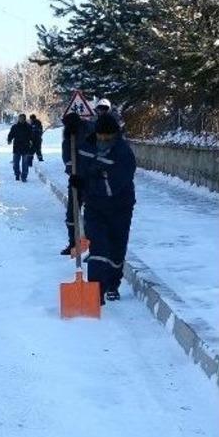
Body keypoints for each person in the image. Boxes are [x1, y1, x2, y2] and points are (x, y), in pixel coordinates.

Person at [69, 114, 136, 302]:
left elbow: (110, 187)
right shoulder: (86, 147)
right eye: (100, 137)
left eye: (108, 139)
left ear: (115, 135)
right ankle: (95, 293)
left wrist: (84, 184)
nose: (103, 142)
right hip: (95, 208)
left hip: (120, 208)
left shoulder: (124, 154)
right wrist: (70, 133)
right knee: (98, 248)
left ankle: (113, 284)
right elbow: (74, 161)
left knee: (116, 250)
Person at [60, 112, 90, 255]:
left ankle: (90, 244)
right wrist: (71, 171)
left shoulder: (88, 131)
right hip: (75, 178)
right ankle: (73, 244)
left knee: (92, 212)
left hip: (90, 180)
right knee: (72, 213)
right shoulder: (68, 135)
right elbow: (67, 156)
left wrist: (81, 174)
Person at [7, 114, 34, 182]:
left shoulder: (28, 127)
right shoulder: (15, 127)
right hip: (17, 147)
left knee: (25, 163)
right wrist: (9, 139)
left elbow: (32, 136)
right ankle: (17, 174)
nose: (21, 120)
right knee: (16, 163)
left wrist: (32, 141)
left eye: (22, 118)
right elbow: (11, 134)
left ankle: (24, 176)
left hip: (25, 147)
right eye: (20, 118)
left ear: (25, 119)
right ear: (18, 119)